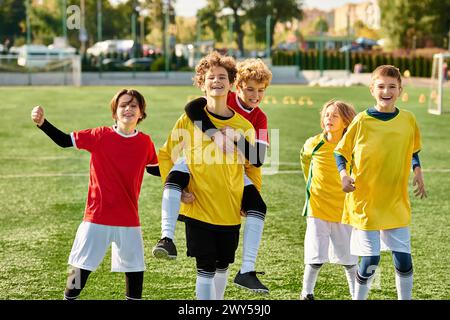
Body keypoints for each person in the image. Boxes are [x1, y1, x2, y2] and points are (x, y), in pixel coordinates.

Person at [152, 58, 272, 293]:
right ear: (237, 86)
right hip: (198, 162)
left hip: (232, 173)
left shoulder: (256, 119)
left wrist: (237, 138)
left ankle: (247, 270)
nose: (254, 96)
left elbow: (257, 160)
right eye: (249, 89)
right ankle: (166, 237)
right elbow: (193, 108)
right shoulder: (219, 96)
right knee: (177, 175)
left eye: (260, 91)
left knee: (258, 207)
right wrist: (215, 133)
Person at [30, 89, 160, 300]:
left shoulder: (145, 142)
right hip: (97, 217)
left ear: (141, 113)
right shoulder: (100, 135)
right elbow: (64, 140)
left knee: (135, 270)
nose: (128, 108)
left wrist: (184, 173)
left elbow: (154, 168)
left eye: (134, 106)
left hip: (129, 219)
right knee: (80, 268)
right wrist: (42, 123)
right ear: (115, 113)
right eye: (123, 105)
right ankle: (68, 298)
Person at [334, 65, 427, 300]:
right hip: (366, 201)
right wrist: (343, 175)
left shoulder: (408, 119)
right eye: (381, 86)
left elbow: (413, 149)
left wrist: (417, 170)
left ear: (400, 90)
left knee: (404, 258)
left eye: (392, 87)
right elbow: (340, 152)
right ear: (372, 89)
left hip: (395, 201)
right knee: (371, 259)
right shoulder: (361, 121)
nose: (387, 91)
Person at [299, 100, 358, 300]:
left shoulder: (352, 146)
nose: (329, 119)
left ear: (346, 121)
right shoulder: (312, 144)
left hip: (344, 209)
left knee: (350, 259)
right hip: (317, 207)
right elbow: (305, 164)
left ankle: (356, 294)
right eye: (326, 115)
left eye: (334, 116)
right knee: (315, 256)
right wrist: (314, 187)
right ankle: (306, 293)